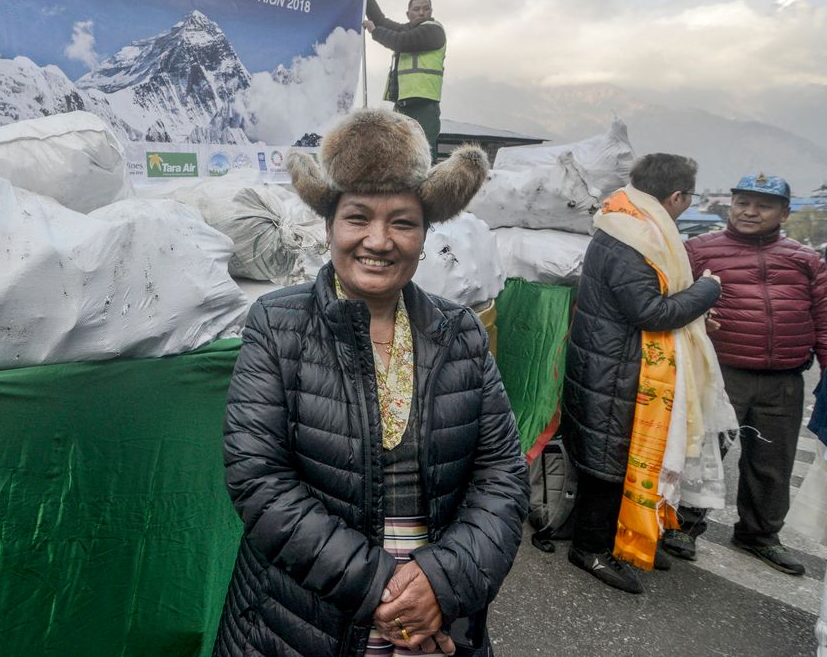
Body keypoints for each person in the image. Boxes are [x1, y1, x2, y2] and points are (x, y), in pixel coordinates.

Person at [213, 109, 528, 657]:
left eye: (402, 222)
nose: (378, 241)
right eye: (357, 217)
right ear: (330, 225)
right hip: (301, 615)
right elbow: (258, 477)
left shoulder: (461, 334)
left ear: (425, 234)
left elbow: (500, 474)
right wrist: (382, 587)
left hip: (436, 620)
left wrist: (441, 584)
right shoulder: (277, 324)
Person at [563, 153, 726, 594]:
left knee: (612, 459)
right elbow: (651, 311)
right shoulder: (633, 237)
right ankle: (589, 549)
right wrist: (707, 291)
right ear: (677, 196)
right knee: (608, 465)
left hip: (613, 359)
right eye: (689, 197)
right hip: (615, 367)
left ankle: (617, 540)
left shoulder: (625, 221)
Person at [664, 174, 827, 575]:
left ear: (784, 213)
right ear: (731, 205)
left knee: (772, 461)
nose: (750, 211)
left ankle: (759, 535)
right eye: (742, 202)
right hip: (721, 373)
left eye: (763, 205)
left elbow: (823, 320)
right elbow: (673, 299)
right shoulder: (698, 250)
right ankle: (683, 526)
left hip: (784, 379)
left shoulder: (805, 261)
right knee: (704, 452)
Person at [361, 0, 446, 162]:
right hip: (403, 105)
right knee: (400, 155)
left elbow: (401, 41)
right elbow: (382, 21)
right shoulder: (408, 28)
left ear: (431, 11)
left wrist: (375, 32)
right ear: (408, 14)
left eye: (425, 9)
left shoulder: (434, 30)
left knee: (423, 156)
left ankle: (427, 190)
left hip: (424, 106)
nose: (421, 12)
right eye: (416, 9)